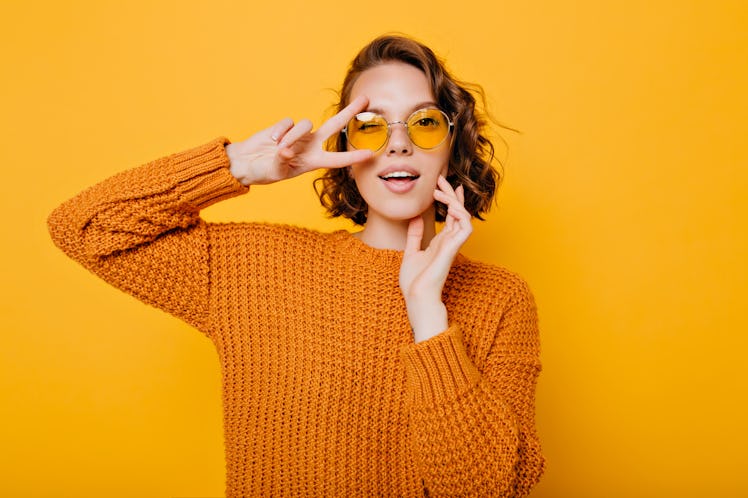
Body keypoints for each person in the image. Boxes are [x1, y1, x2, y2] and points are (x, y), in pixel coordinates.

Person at [48, 34, 544, 497]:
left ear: (452, 147)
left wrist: (428, 319)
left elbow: (491, 487)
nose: (398, 143)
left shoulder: (501, 298)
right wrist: (239, 165)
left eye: (425, 122)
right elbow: (84, 228)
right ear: (346, 148)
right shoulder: (256, 270)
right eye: (371, 126)